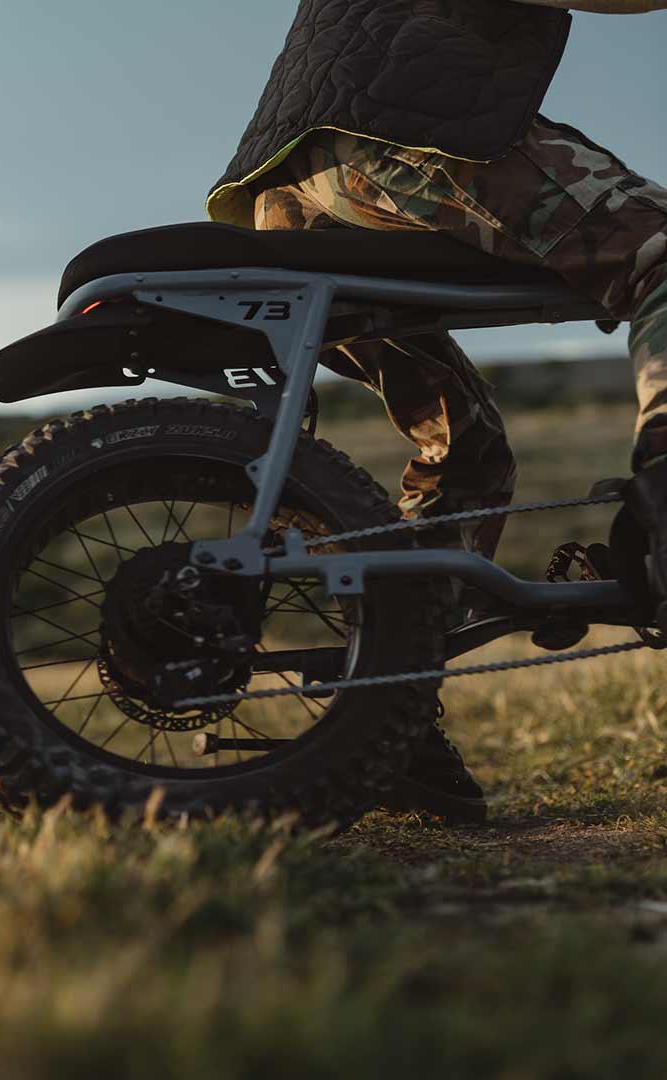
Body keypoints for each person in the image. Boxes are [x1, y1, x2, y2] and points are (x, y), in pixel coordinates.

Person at [209, 0, 667, 824]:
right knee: (658, 248)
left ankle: (393, 704)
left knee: (466, 447)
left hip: (288, 185)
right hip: (400, 138)